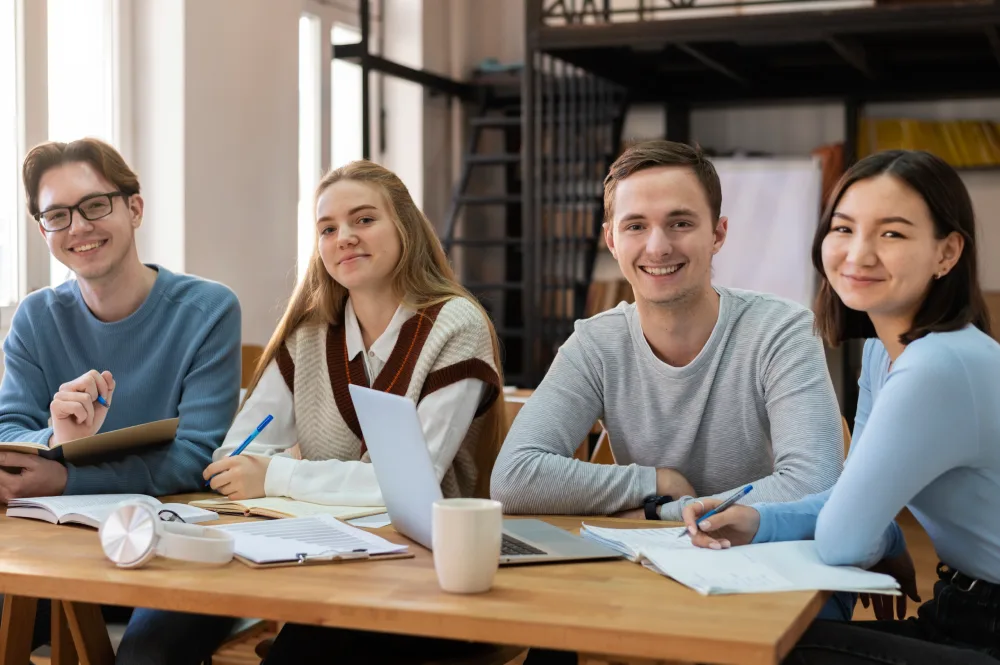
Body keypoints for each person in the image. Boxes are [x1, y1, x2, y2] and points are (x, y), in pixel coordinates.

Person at [167, 159, 500, 664]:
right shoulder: (308, 335)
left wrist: (278, 473)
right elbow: (238, 454)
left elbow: (412, 485)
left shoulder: (457, 325)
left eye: (364, 219)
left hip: (429, 578)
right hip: (323, 566)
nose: (344, 236)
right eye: (328, 228)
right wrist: (257, 468)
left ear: (404, 227)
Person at [681, 150, 1000, 664]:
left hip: (988, 624)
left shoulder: (937, 366)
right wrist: (756, 519)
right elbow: (849, 498)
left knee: (764, 647)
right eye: (844, 228)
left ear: (947, 253)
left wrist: (877, 532)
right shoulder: (883, 351)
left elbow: (842, 539)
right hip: (963, 607)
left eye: (892, 234)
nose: (859, 254)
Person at [492, 139, 843, 524]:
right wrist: (654, 480)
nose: (657, 248)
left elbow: (814, 484)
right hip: (648, 571)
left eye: (680, 223)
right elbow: (513, 478)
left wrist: (660, 511)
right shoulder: (595, 345)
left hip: (766, 566)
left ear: (718, 234)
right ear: (612, 240)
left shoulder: (781, 331)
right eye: (636, 226)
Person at [0, 138, 242, 663]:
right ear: (43, 231)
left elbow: (195, 458)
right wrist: (58, 440)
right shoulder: (35, 317)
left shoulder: (208, 310)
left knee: (146, 658)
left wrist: (69, 475)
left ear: (134, 208)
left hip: (175, 550)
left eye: (94, 206)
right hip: (62, 550)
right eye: (57, 215)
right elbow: (9, 433)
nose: (78, 227)